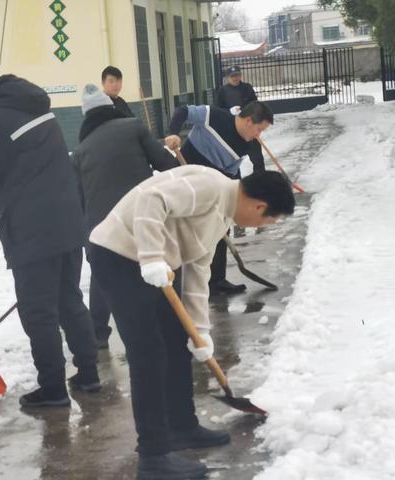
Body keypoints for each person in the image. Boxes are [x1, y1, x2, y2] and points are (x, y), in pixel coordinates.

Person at [88, 165, 295, 480]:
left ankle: (181, 426)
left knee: (177, 340)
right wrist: (152, 256)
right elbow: (152, 201)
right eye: (269, 220)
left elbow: (199, 270)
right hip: (118, 254)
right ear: (259, 206)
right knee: (149, 354)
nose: (263, 227)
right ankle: (154, 458)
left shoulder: (223, 216)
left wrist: (200, 331)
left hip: (149, 262)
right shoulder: (210, 188)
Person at [0, 62, 100, 408]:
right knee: (68, 300)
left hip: (32, 231)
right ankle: (89, 373)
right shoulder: (30, 103)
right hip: (65, 221)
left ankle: (53, 389)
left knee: (38, 312)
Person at [71, 84, 178, 349]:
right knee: (153, 260)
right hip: (140, 215)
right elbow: (165, 165)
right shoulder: (133, 127)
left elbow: (78, 199)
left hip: (101, 228)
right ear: (111, 108)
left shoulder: (80, 151)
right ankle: (166, 318)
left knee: (101, 278)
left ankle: (97, 334)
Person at [165, 101, 273, 295]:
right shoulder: (213, 116)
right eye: (259, 129)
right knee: (184, 231)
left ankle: (216, 280)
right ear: (248, 121)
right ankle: (176, 284)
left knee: (222, 226)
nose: (259, 135)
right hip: (185, 178)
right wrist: (173, 132)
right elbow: (183, 111)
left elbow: (231, 172)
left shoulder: (245, 144)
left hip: (210, 187)